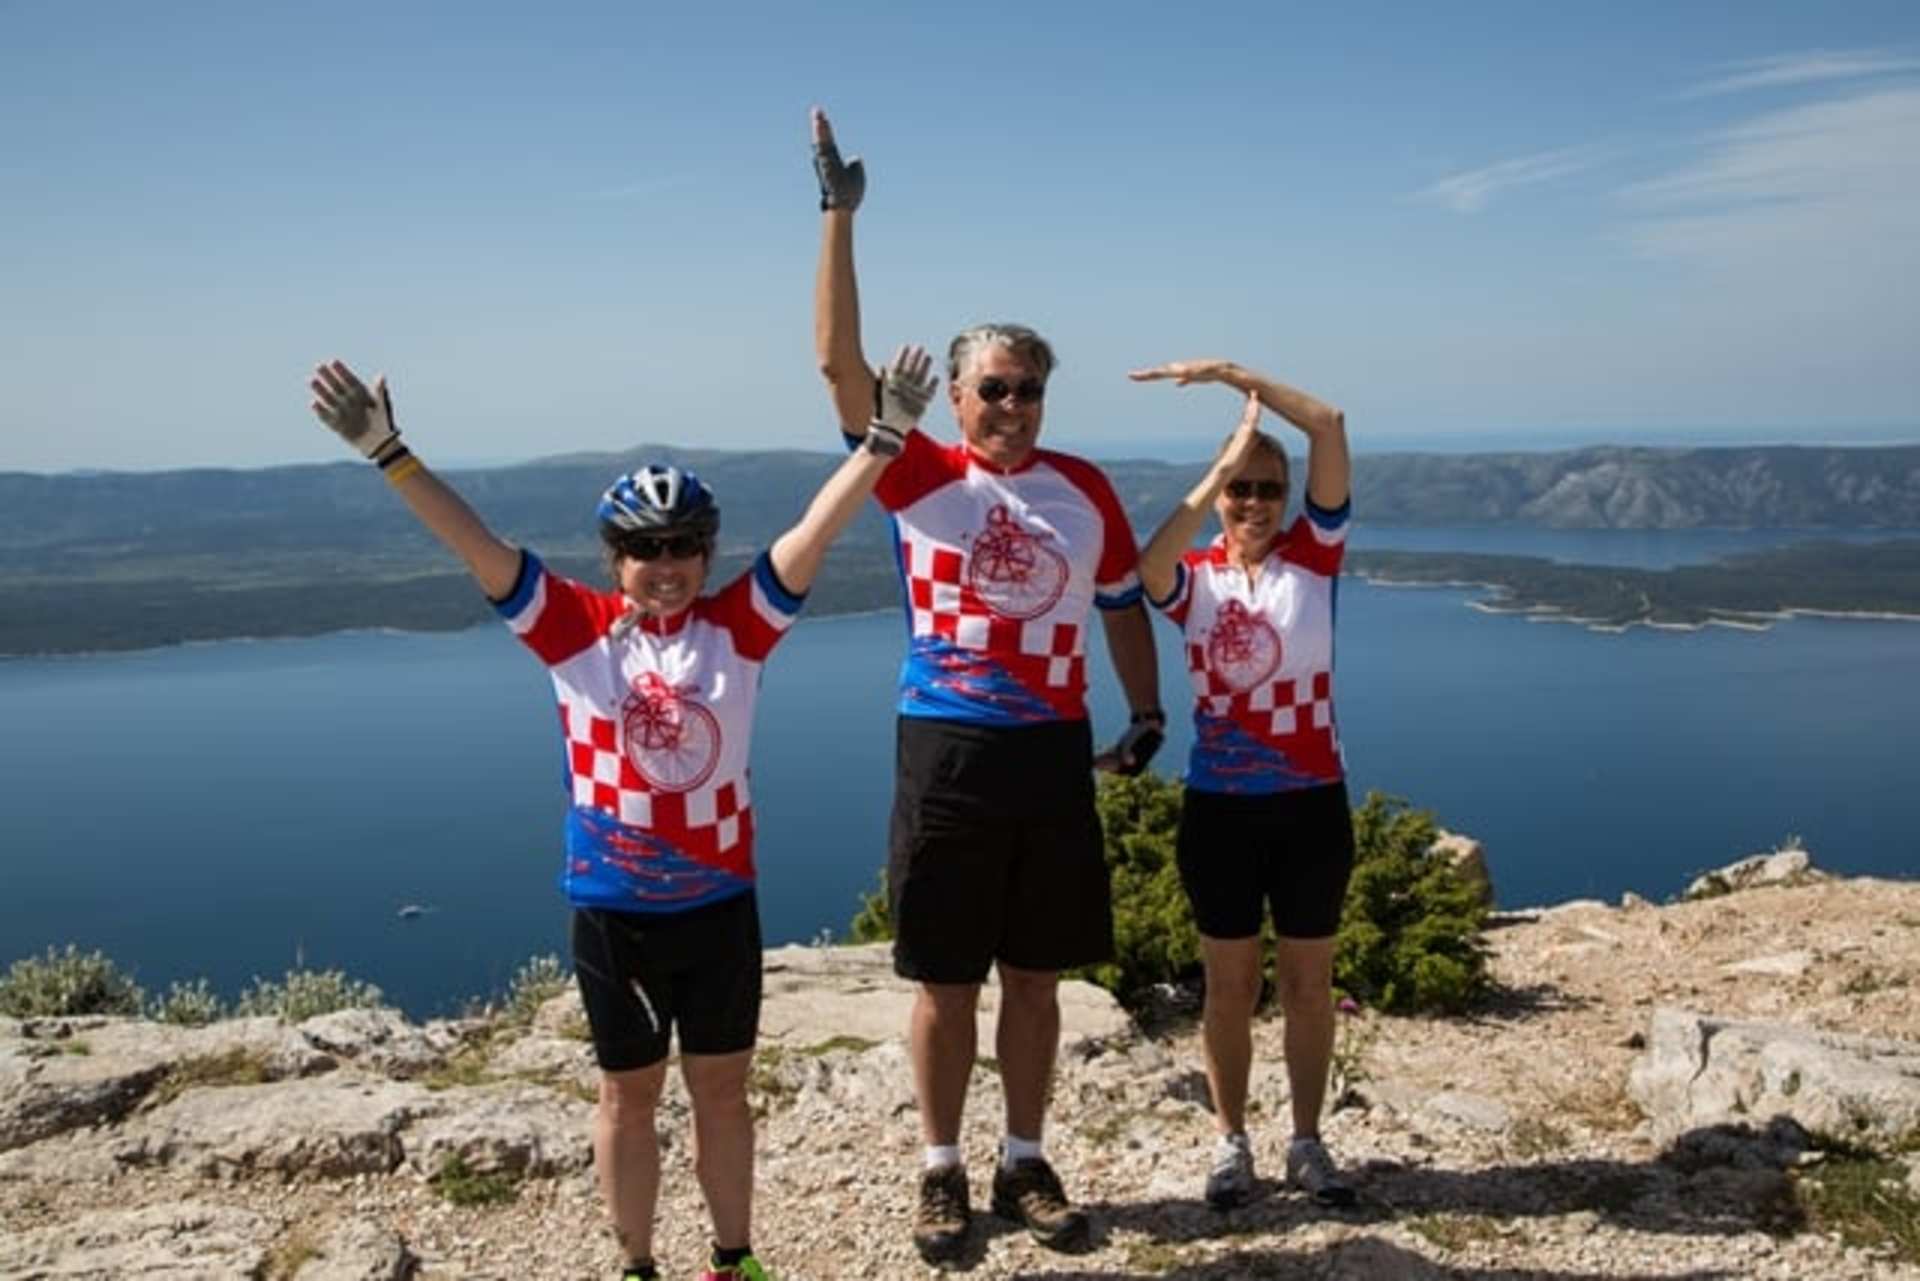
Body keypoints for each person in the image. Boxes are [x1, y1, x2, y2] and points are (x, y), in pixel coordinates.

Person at [306, 346, 939, 1281]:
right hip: (616, 908)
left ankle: (734, 1260)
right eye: (644, 547)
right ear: (615, 557)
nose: (666, 564)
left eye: (684, 545)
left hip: (720, 901)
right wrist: (388, 452)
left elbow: (818, 525)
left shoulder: (741, 624)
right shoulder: (573, 626)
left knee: (723, 1093)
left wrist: (884, 440)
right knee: (626, 1095)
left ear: (707, 551)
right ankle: (637, 1263)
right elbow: (474, 542)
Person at [810, 107, 1165, 1262]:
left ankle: (1025, 1158)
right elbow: (835, 365)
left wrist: (1148, 713)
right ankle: (940, 1167)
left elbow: (1118, 603)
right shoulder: (919, 475)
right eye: (995, 389)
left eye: (1030, 391)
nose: (1013, 409)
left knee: (1038, 977)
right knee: (945, 979)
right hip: (949, 745)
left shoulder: (1084, 489)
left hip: (1052, 750)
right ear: (956, 398)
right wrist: (838, 219)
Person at [1129, 358, 1358, 1212]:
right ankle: (1231, 1142)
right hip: (1220, 808)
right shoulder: (1198, 579)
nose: (1254, 503)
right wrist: (1215, 470)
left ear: (1287, 495)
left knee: (1306, 980)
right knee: (1228, 985)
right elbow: (1144, 569)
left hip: (1309, 802)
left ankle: (1307, 1140)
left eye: (1268, 488)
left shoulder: (1316, 557)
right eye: (1241, 490)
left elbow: (1329, 422)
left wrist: (1232, 374)